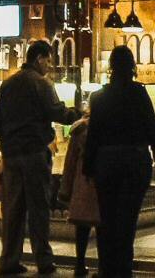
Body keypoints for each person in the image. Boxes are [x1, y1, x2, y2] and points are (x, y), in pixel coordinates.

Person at [0, 39, 78, 276]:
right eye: (48, 60)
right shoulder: (41, 83)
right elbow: (57, 112)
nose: (49, 66)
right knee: (38, 208)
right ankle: (44, 260)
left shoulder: (7, 84)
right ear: (39, 58)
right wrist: (78, 116)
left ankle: (9, 261)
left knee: (12, 210)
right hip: (34, 153)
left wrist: (7, 142)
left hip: (11, 155)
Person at [84, 45, 155, 278]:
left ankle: (107, 268)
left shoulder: (99, 97)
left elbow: (94, 136)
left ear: (111, 67)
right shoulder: (139, 94)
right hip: (135, 160)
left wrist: (88, 166)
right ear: (132, 67)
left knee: (107, 218)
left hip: (107, 161)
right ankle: (123, 267)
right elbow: (152, 128)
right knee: (127, 219)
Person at [57, 110, 100, 278]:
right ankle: (103, 266)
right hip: (102, 181)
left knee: (82, 228)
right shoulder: (109, 126)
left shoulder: (79, 131)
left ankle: (80, 263)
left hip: (83, 183)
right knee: (102, 226)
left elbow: (70, 163)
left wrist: (65, 191)